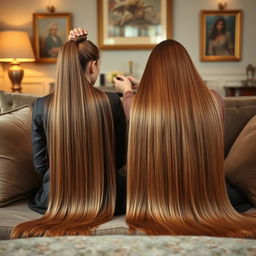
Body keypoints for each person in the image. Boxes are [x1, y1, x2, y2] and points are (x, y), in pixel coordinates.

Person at [114, 39, 256, 238]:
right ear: (188, 69)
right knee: (235, 195)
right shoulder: (214, 101)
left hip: (157, 199)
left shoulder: (138, 107)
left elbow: (130, 102)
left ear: (152, 74)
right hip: (205, 198)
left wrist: (129, 89)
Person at [10, 34, 127, 238]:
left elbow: (40, 165)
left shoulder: (42, 105)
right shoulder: (112, 102)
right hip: (108, 199)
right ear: (92, 66)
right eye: (98, 64)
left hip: (54, 199)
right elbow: (118, 160)